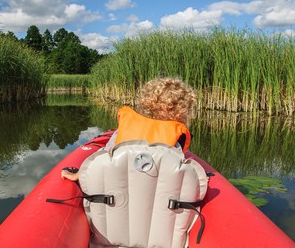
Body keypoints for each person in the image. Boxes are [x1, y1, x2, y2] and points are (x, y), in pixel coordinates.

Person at [61, 76, 198, 181]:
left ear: (146, 103)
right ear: (183, 113)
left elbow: (102, 157)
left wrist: (77, 175)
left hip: (117, 193)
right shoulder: (175, 140)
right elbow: (178, 170)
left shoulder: (123, 130)